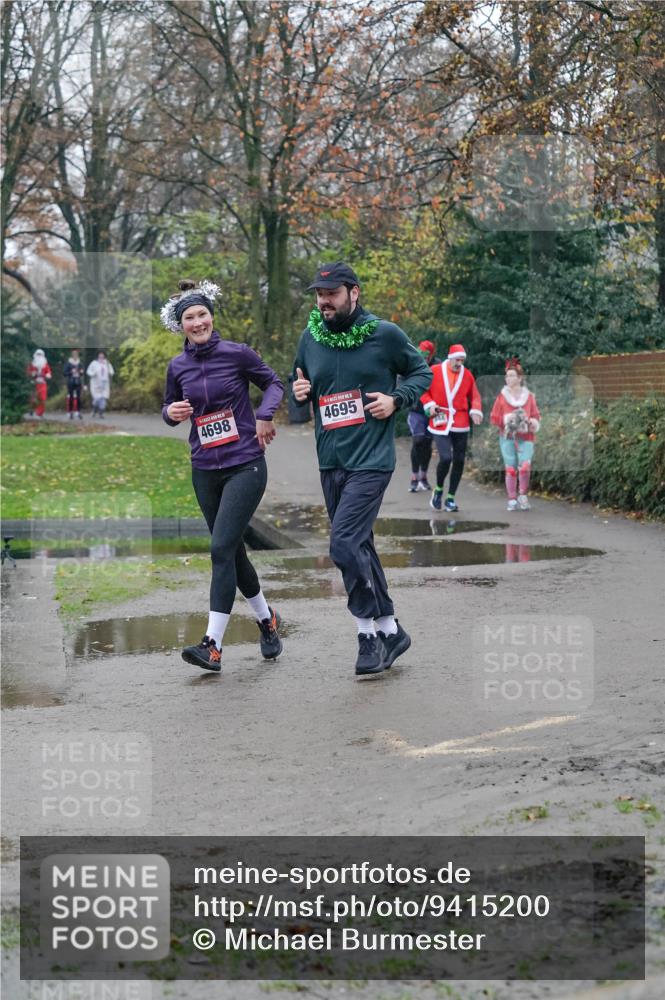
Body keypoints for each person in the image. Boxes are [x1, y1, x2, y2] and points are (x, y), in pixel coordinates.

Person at [292, 261, 432, 677]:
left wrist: (395, 399)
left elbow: (421, 372)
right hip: (330, 458)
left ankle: (367, 636)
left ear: (354, 293)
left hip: (371, 459)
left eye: (331, 294)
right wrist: (299, 392)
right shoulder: (310, 337)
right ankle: (392, 630)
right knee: (360, 546)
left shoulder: (384, 335)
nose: (323, 301)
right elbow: (300, 383)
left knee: (343, 545)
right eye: (319, 294)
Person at [161, 279, 284, 672]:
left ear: (212, 317)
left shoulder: (237, 354)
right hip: (204, 468)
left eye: (202, 315)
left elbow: (273, 383)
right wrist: (172, 414)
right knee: (231, 551)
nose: (197, 323)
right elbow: (167, 408)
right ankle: (267, 621)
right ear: (181, 325)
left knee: (219, 548)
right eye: (189, 318)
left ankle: (212, 644)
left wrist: (264, 415)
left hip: (245, 463)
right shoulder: (177, 366)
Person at [421, 343, 483, 512]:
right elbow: (423, 391)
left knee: (460, 460)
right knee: (446, 457)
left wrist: (476, 410)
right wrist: (429, 404)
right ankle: (439, 489)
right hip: (440, 419)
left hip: (461, 421)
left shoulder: (467, 375)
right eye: (457, 360)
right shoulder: (434, 371)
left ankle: (451, 498)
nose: (459, 364)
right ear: (450, 358)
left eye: (462, 361)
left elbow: (475, 395)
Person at [490, 358, 541, 511]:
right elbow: (493, 417)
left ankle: (523, 495)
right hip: (507, 437)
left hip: (526, 437)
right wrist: (507, 419)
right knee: (511, 468)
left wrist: (532, 422)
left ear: (519, 378)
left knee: (525, 466)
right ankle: (512, 498)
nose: (508, 378)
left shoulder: (529, 397)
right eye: (507, 376)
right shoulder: (501, 397)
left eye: (512, 375)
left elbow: (536, 416)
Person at [407, 339, 440, 492]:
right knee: (418, 440)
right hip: (416, 409)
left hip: (433, 410)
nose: (424, 358)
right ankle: (414, 476)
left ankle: (423, 476)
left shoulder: (438, 366)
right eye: (422, 354)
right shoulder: (412, 362)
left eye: (427, 355)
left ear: (432, 354)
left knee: (427, 443)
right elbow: (402, 379)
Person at [86, 350, 114, 418]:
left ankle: (101, 413)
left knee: (103, 398)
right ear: (98, 355)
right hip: (96, 384)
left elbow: (111, 371)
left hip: (104, 384)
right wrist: (93, 373)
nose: (101, 356)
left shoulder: (107, 363)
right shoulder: (94, 363)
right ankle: (94, 410)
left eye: (102, 354)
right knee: (97, 399)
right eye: (100, 354)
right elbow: (88, 371)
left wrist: (110, 373)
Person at [27, 349, 52, 418]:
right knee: (33, 398)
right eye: (38, 354)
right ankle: (31, 409)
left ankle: (40, 413)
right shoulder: (32, 364)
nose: (39, 356)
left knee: (42, 398)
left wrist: (47, 375)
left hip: (42, 383)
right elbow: (28, 372)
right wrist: (32, 374)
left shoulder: (45, 364)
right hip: (34, 383)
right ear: (35, 355)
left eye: (40, 355)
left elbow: (49, 372)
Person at [63, 349, 85, 420]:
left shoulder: (79, 363)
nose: (75, 356)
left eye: (76, 354)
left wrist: (81, 372)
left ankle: (78, 411)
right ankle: (70, 411)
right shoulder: (69, 363)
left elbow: (82, 372)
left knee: (78, 397)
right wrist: (71, 372)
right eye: (74, 354)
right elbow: (65, 373)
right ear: (72, 355)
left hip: (78, 381)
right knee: (71, 397)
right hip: (71, 382)